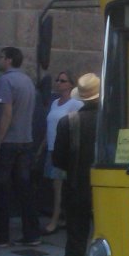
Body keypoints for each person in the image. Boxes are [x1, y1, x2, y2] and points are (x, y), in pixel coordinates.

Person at [46, 73, 100, 256]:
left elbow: (58, 160)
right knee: (109, 243)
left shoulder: (69, 122)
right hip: (106, 192)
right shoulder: (113, 121)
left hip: (77, 190)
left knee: (76, 246)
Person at [0, 47, 39, 248]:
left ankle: (0, 236)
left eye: (1, 57)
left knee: (0, 189)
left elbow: (6, 113)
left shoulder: (6, 81)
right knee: (25, 190)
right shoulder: (28, 81)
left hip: (8, 142)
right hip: (26, 141)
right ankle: (31, 234)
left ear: (9, 60)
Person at [38, 70, 82, 235]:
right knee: (56, 185)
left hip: (64, 150)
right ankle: (64, 217)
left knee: (58, 186)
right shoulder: (55, 102)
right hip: (51, 148)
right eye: (57, 80)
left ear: (71, 84)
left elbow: (78, 127)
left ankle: (55, 221)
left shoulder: (75, 104)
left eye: (63, 80)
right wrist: (42, 147)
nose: (58, 83)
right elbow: (50, 127)